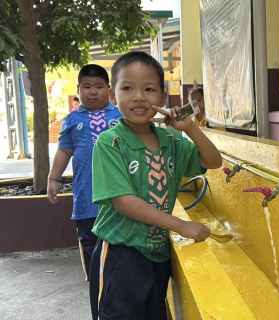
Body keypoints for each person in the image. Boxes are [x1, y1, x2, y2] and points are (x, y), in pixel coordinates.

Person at [89, 51, 222, 320]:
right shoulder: (111, 142)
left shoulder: (172, 141)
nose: (139, 96)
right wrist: (182, 226)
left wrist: (190, 129)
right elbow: (124, 202)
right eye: (128, 88)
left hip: (157, 255)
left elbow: (213, 161)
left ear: (162, 98)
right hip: (121, 254)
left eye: (149, 89)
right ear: (113, 96)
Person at [47, 64, 122, 282]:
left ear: (109, 90)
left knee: (119, 242)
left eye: (98, 86)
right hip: (86, 199)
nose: (92, 92)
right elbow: (64, 151)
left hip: (120, 197)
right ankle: (95, 283)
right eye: (87, 86)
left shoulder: (120, 115)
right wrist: (53, 179)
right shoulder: (72, 120)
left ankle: (116, 282)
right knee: (89, 242)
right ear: (78, 89)